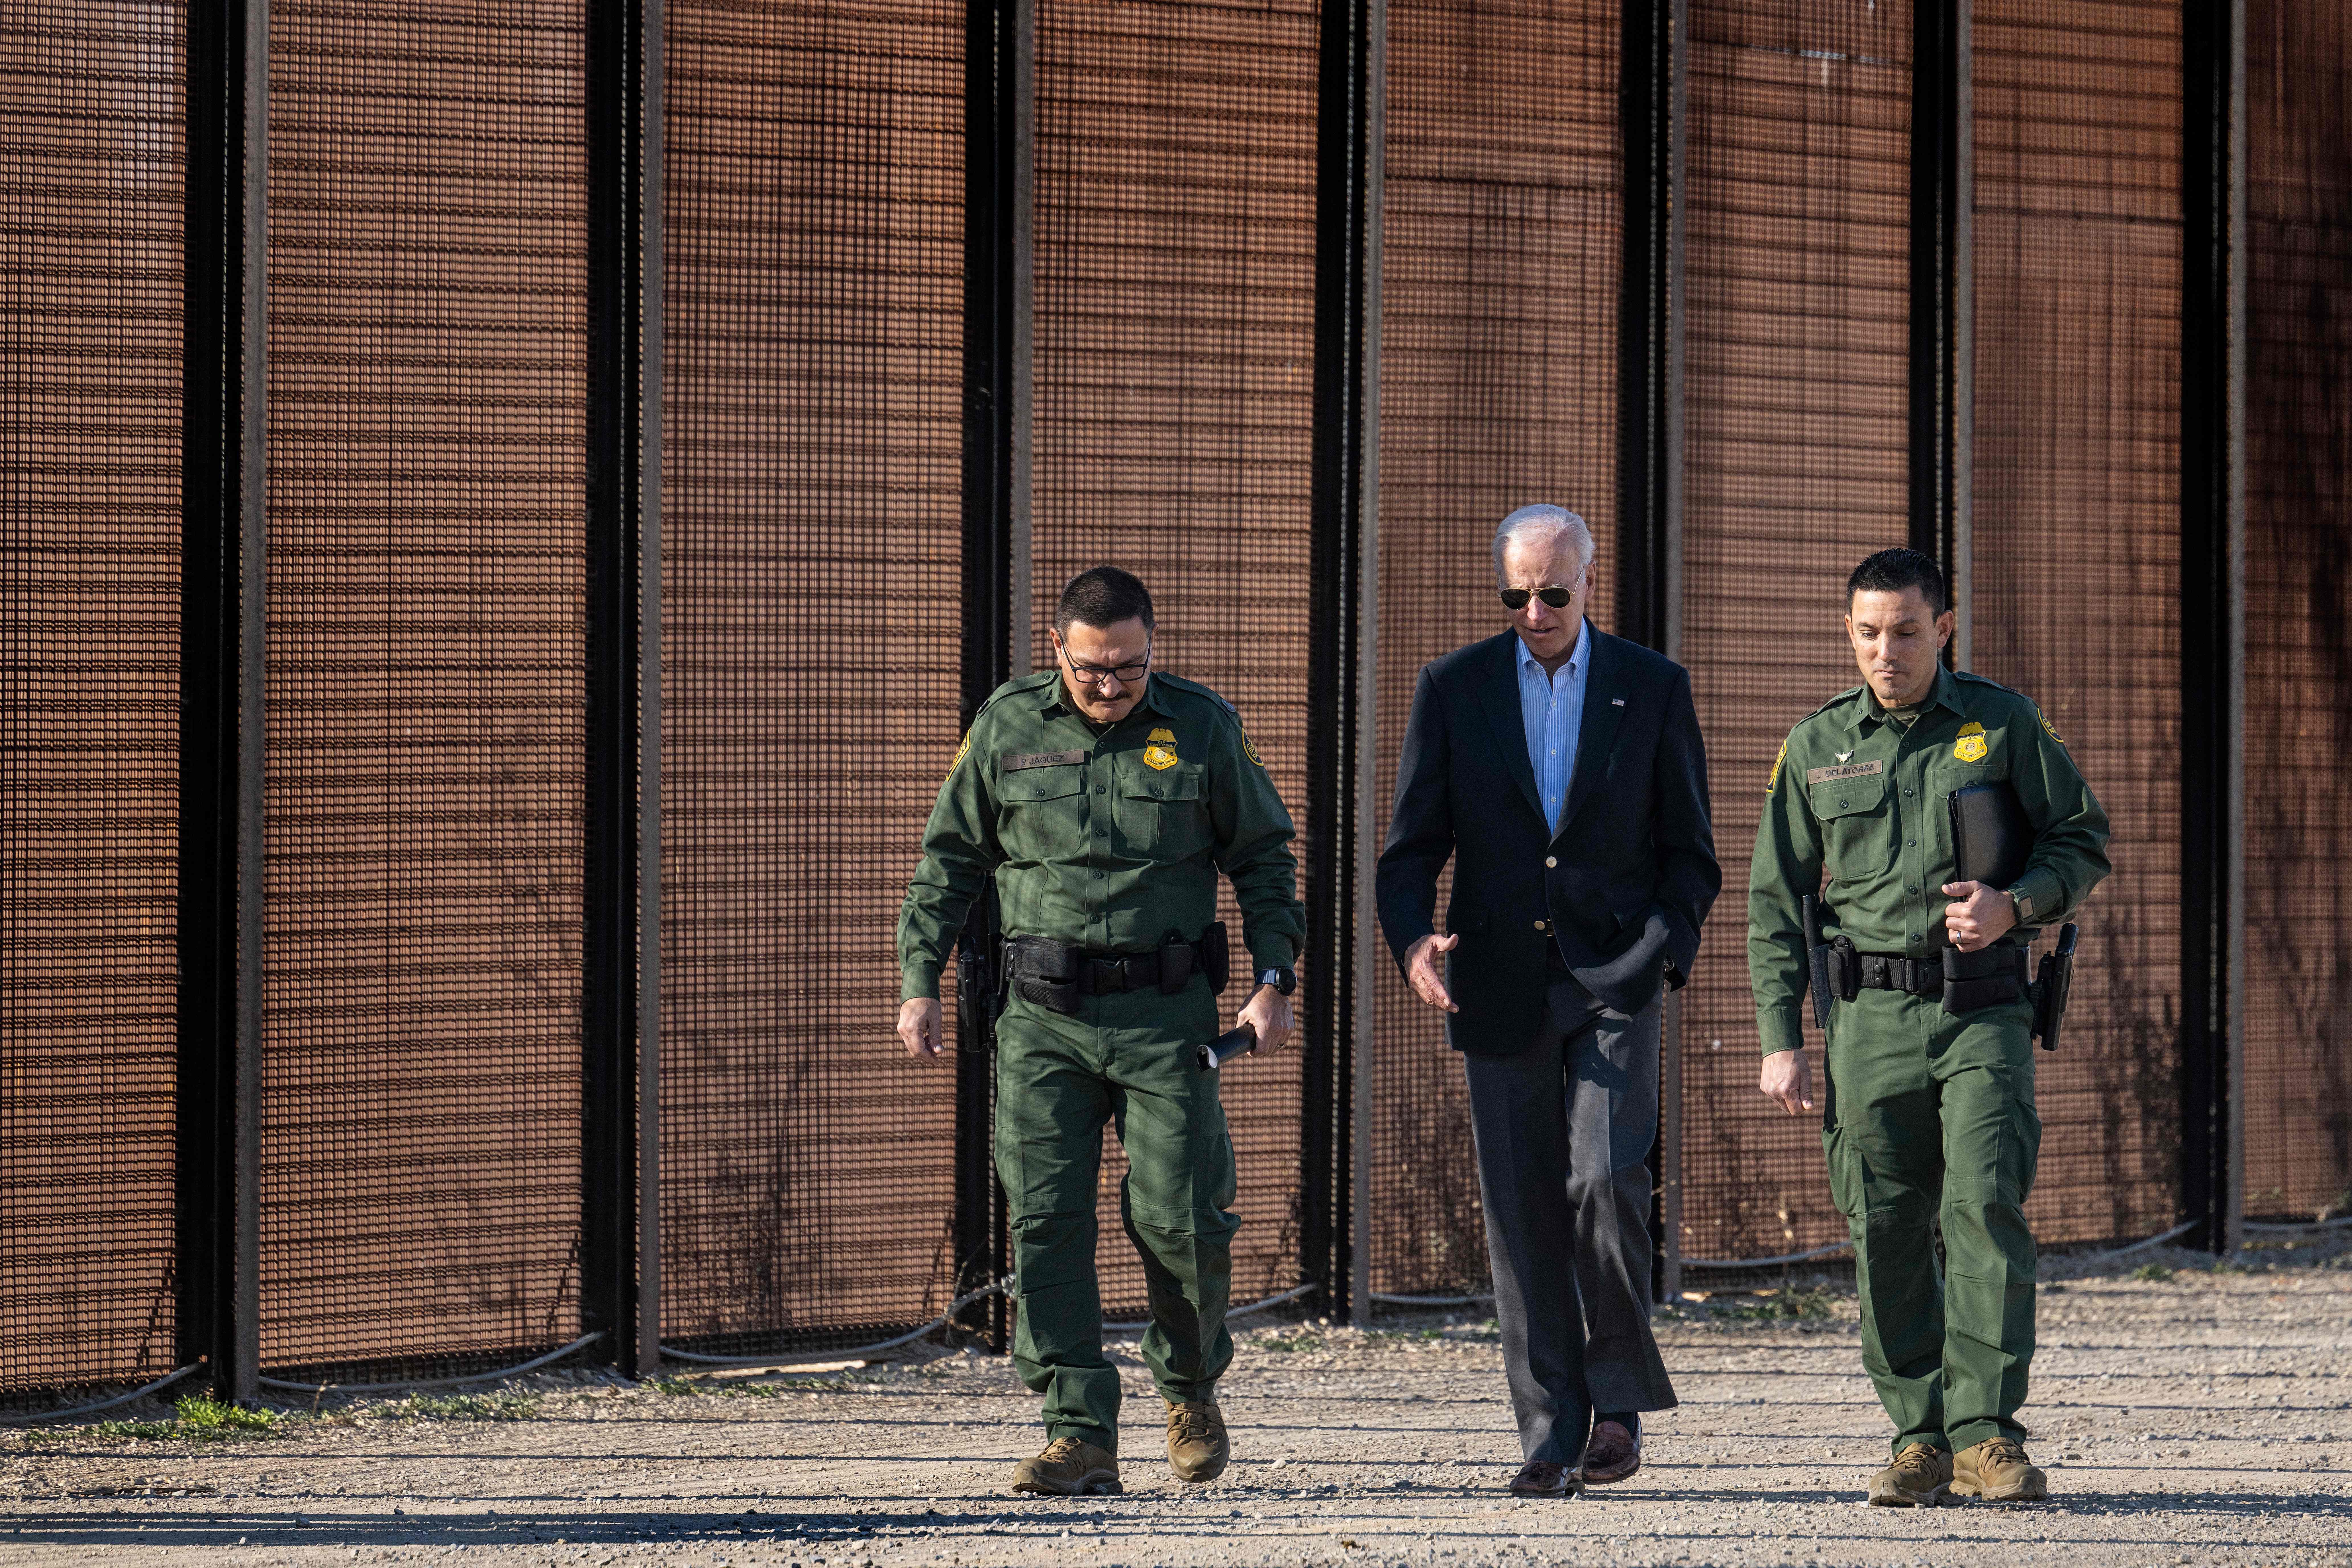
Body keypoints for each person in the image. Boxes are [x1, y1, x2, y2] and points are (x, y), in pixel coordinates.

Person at [896, 565, 1304, 1498]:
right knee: (1046, 1220)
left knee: (1183, 1217)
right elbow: (949, 861)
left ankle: (1191, 1386)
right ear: (1060, 652)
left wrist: (1275, 980)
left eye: (1129, 668)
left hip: (1166, 1018)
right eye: (1092, 671)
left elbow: (1264, 859)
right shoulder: (1006, 726)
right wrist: (920, 981)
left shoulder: (1202, 725)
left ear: (1151, 649)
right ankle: (1077, 1430)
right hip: (1043, 1022)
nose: (1112, 686)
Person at [1747, 547, 2110, 1506]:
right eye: (1868, 633)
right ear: (1849, 634)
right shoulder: (1817, 747)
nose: (1886, 651)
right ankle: (1918, 1436)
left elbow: (2083, 838)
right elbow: (1776, 902)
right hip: (1867, 1019)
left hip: (1982, 1005)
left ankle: (1988, 1433)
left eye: (1906, 631)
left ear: (1942, 628)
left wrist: (2017, 903)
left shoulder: (2001, 723)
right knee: (1888, 1223)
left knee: (1984, 1203)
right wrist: (1781, 1038)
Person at [1376, 504, 1718, 1498]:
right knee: (1523, 1212)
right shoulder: (1454, 687)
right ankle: (1549, 1431)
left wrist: (1663, 954)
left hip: (1617, 978)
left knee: (1607, 1180)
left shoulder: (1653, 689)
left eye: (1553, 593)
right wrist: (1412, 946)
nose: (1534, 611)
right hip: (1498, 982)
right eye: (1516, 595)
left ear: (1589, 583)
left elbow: (1692, 855)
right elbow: (1409, 854)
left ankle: (1615, 1405)